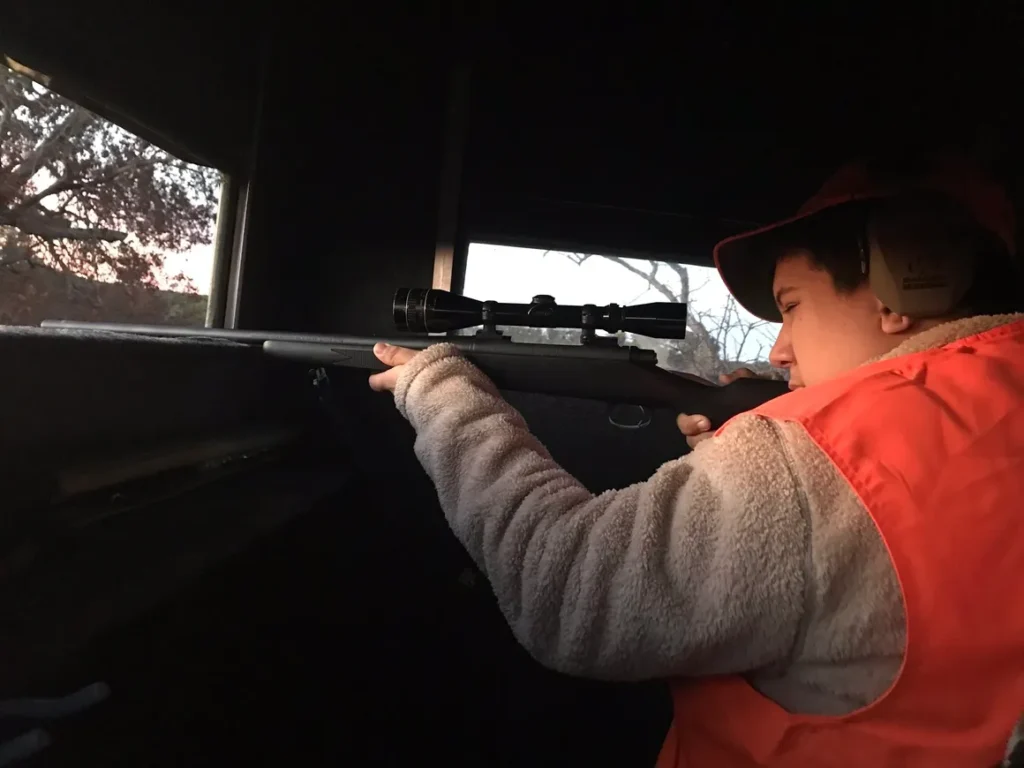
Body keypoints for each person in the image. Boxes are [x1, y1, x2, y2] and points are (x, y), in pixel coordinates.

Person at [368, 153, 1024, 767]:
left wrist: (442, 395)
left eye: (791, 306)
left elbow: (567, 589)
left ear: (905, 280)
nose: (779, 351)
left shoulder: (810, 455)